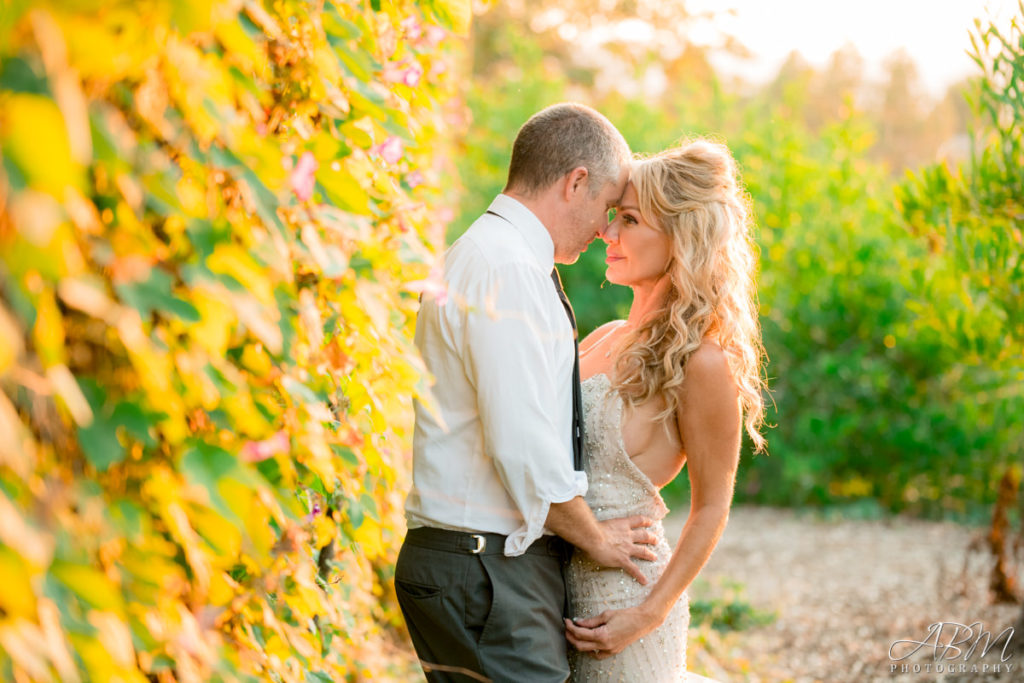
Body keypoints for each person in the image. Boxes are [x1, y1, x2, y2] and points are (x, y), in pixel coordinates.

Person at [396, 103, 661, 683]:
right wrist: (598, 539)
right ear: (576, 183)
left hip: (477, 566)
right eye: (607, 207)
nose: (604, 230)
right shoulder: (508, 269)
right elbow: (519, 440)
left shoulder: (489, 255)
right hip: (486, 571)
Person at [562, 139, 767, 681]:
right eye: (612, 218)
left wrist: (646, 616)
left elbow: (710, 508)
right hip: (546, 587)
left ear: (682, 237)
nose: (607, 233)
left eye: (628, 219)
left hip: (622, 600)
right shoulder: (601, 338)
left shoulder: (702, 362)